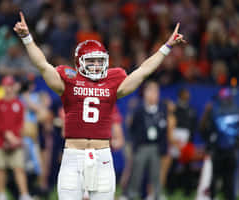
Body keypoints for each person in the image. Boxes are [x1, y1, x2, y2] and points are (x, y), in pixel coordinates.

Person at [13, 11, 185, 200]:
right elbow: (43, 65)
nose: (96, 65)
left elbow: (143, 71)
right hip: (74, 155)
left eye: (99, 61)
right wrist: (27, 38)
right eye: (91, 61)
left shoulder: (113, 81)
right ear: (79, 62)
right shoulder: (69, 79)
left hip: (102, 155)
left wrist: (167, 46)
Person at [0, 75, 32, 200]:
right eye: (6, 85)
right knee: (0, 168)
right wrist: (7, 135)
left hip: (15, 140)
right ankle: (1, 194)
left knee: (19, 167)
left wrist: (14, 137)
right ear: (3, 87)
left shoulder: (19, 104)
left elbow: (20, 123)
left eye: (10, 85)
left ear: (13, 87)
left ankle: (24, 194)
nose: (8, 88)